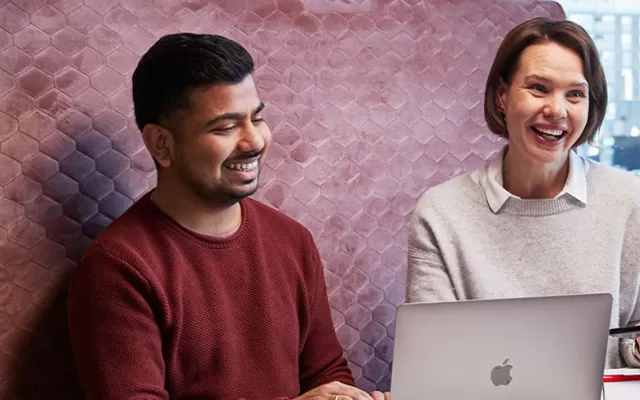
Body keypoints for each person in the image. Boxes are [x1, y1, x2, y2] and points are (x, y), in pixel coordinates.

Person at [67, 33, 388, 400]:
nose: (254, 141)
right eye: (225, 127)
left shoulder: (292, 239)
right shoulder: (117, 268)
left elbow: (325, 373)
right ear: (161, 144)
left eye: (257, 118)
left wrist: (348, 398)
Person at [406, 17, 640, 369]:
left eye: (575, 94)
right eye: (538, 88)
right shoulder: (442, 213)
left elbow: (627, 345)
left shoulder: (630, 201)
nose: (557, 110)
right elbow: (434, 364)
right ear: (502, 96)